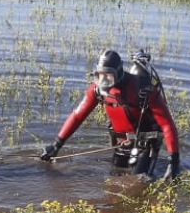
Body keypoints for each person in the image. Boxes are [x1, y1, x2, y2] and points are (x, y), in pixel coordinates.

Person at [41, 49, 181, 180]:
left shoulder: (143, 89)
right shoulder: (97, 90)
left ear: (118, 73)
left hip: (145, 145)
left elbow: (167, 125)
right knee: (115, 181)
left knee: (137, 183)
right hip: (121, 144)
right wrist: (56, 145)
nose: (104, 81)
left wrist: (173, 163)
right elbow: (77, 116)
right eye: (99, 76)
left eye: (108, 76)